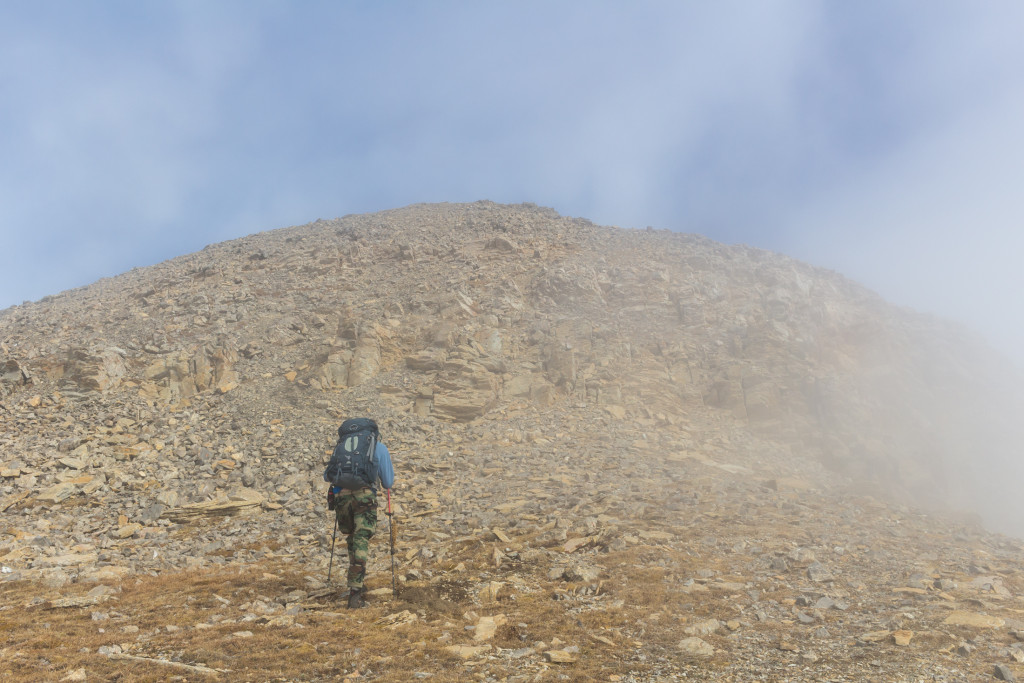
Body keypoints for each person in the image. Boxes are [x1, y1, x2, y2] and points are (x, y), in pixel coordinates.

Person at [324, 419, 395, 609]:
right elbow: (388, 482)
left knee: (352, 537)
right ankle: (355, 593)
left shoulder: (342, 446)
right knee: (362, 538)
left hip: (341, 496)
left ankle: (357, 583)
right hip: (364, 495)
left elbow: (328, 475)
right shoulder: (378, 446)